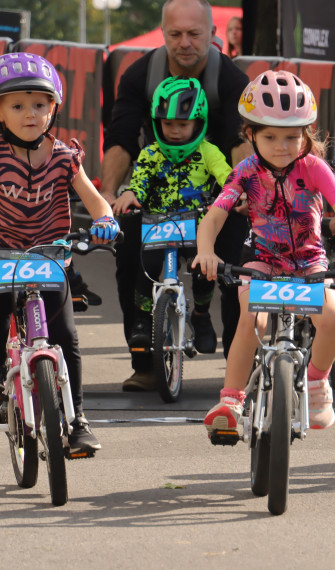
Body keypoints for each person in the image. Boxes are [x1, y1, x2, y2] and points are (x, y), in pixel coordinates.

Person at [195, 71, 335, 441]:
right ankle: (230, 402)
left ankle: (315, 382)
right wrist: (205, 252)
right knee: (251, 321)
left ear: (306, 134)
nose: (282, 146)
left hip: (309, 262)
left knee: (332, 319)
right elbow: (213, 216)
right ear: (250, 135)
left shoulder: (314, 167)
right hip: (261, 258)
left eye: (292, 136)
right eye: (270, 136)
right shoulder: (244, 172)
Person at [102, 0, 251, 392]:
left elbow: (241, 146)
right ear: (164, 32)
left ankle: (240, 365)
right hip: (157, 193)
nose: (184, 43)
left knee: (239, 264)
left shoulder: (231, 80)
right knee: (128, 248)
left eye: (194, 34)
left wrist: (247, 195)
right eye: (175, 34)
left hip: (216, 197)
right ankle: (145, 362)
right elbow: (120, 141)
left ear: (212, 34)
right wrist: (107, 198)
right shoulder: (140, 75)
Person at [0, 53, 121, 455]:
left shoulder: (65, 158)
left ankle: (78, 420)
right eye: (17, 105)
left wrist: (106, 220)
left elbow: (96, 201)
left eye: (40, 104)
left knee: (66, 337)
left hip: (51, 259)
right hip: (2, 257)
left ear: (54, 108)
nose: (30, 114)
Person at [111, 77, 232, 355]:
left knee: (204, 269)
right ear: (157, 122)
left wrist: (237, 194)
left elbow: (229, 179)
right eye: (168, 124)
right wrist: (131, 194)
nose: (175, 131)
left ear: (198, 123)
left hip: (198, 226)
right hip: (158, 225)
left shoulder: (209, 152)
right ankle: (142, 320)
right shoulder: (150, 153)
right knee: (146, 266)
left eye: (183, 124)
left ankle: (201, 316)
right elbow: (138, 184)